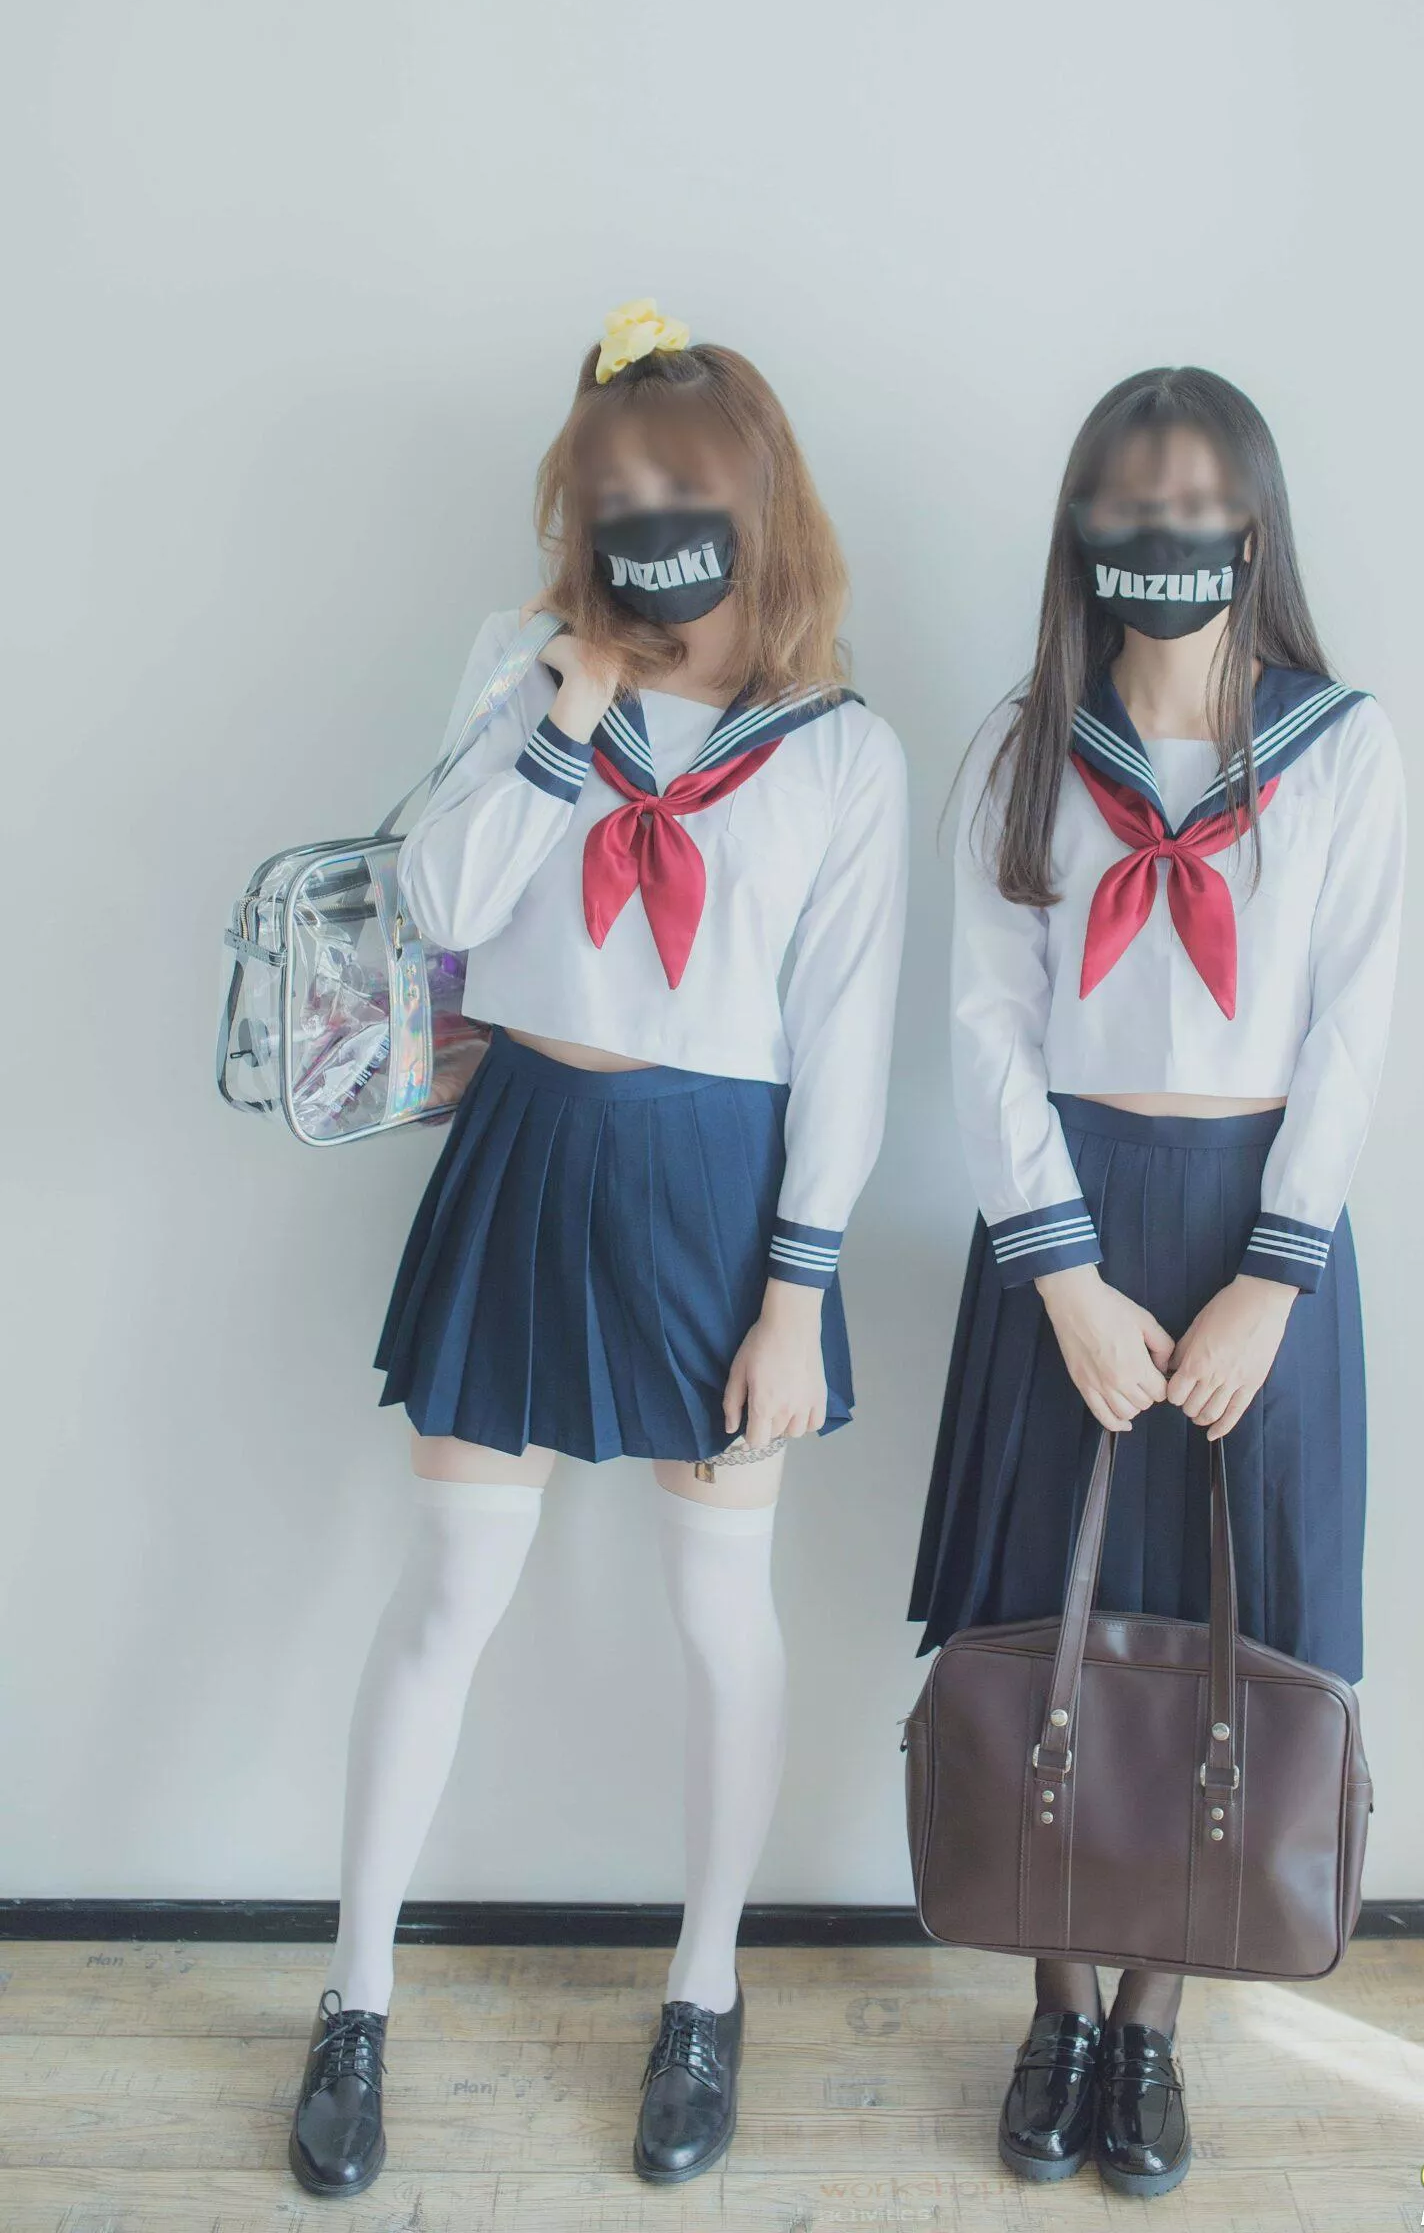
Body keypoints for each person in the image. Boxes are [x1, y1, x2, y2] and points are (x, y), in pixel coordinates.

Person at [287, 301, 909, 2198]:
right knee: (448, 1593)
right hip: (528, 1149)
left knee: (720, 1613)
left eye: (683, 488)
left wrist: (797, 1293)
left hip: (719, 1193)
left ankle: (705, 1991)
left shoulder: (841, 752)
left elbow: (845, 1043)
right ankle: (355, 1999)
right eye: (616, 487)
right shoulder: (518, 665)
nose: (648, 520)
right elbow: (443, 902)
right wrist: (567, 709)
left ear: (755, 503)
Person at [909, 365, 1404, 2200]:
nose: (1163, 540)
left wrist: (1275, 1279)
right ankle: (1053, 2006)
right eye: (1129, 508)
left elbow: (1351, 1030)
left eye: (1196, 508)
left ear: (1252, 530)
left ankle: (1153, 2019)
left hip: (1258, 1221)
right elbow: (984, 1031)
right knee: (1046, 1607)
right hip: (1070, 1221)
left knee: (1219, 1631)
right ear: (1083, 532)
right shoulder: (1024, 748)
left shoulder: (1343, 749)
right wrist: (1061, 1279)